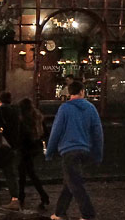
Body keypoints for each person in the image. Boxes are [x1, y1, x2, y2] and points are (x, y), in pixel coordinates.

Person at [46, 80, 103, 220]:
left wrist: (49, 152)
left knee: (75, 183)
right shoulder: (91, 108)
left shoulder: (65, 108)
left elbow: (56, 131)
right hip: (85, 150)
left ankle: (88, 214)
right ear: (82, 92)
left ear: (69, 93)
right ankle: (60, 212)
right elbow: (98, 132)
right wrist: (98, 154)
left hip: (68, 150)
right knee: (70, 181)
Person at [17, 97, 49, 210]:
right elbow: (46, 132)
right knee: (26, 172)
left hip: (25, 149)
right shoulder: (38, 117)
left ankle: (41, 196)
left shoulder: (24, 119)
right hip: (35, 147)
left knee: (26, 173)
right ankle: (23, 196)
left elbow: (21, 136)